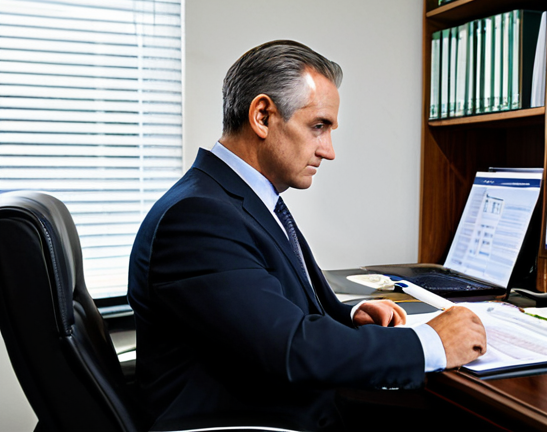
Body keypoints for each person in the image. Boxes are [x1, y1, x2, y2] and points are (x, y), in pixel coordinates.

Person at [128, 40, 487, 431]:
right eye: (318, 127)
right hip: (252, 421)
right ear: (263, 116)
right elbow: (289, 348)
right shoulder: (198, 217)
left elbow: (265, 311)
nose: (328, 151)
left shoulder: (240, 197)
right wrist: (430, 344)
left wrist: (348, 316)